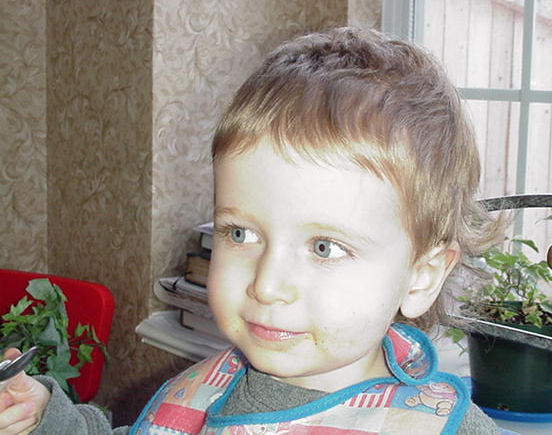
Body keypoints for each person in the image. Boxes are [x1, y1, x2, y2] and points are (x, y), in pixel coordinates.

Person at [0, 27, 503, 435]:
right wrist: (46, 420)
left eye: (324, 247)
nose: (266, 284)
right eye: (240, 234)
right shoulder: (206, 390)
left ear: (421, 276)